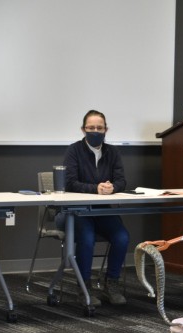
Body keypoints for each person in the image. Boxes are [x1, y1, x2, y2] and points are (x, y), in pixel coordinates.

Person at [63, 109, 130, 306]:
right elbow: (69, 183)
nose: (95, 131)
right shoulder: (73, 150)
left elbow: (121, 181)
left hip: (102, 210)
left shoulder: (112, 152)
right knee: (86, 238)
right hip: (77, 211)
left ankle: (111, 284)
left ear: (106, 130)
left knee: (122, 237)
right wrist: (95, 189)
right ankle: (84, 287)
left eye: (99, 128)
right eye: (91, 128)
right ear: (83, 130)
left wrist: (112, 188)